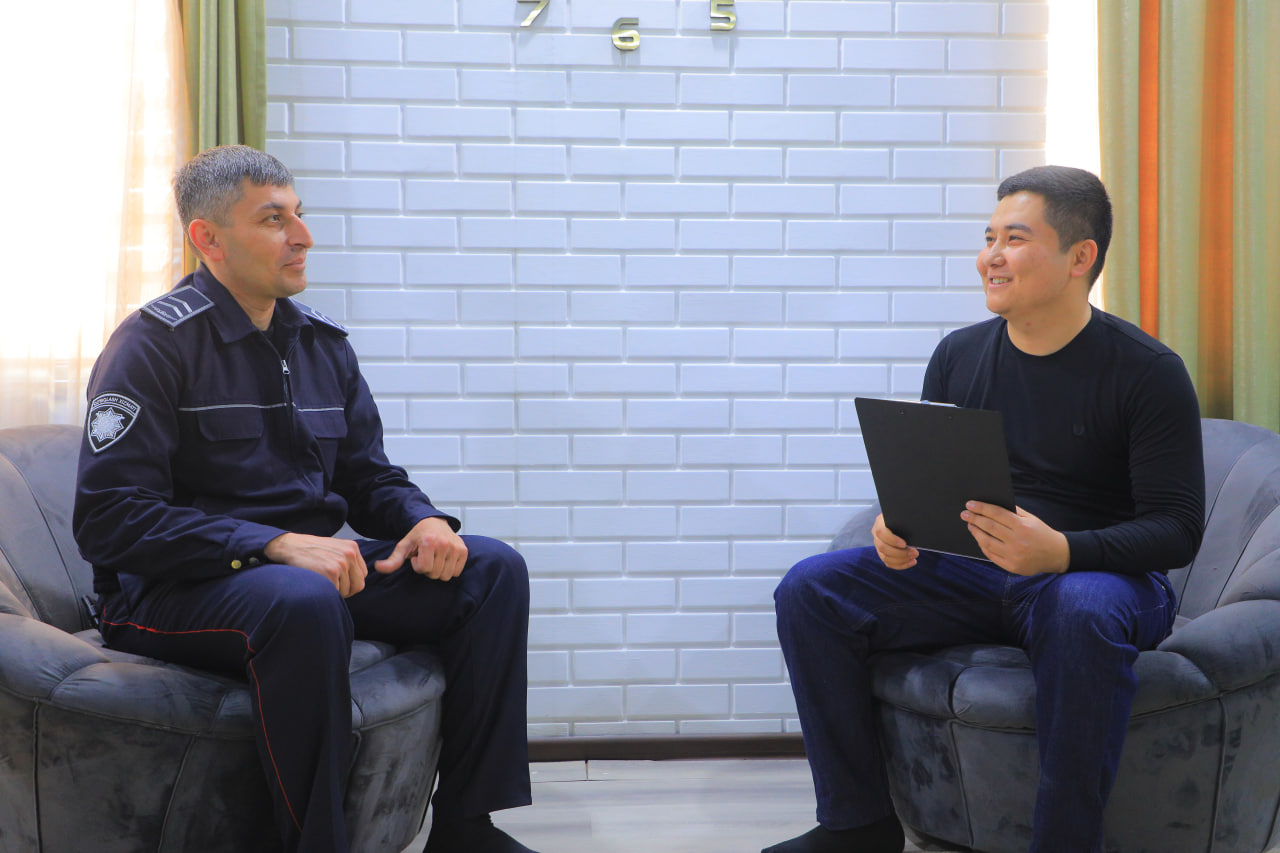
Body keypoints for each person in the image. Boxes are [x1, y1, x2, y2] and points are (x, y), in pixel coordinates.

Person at [73, 145, 541, 853]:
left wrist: (423, 521)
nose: (303, 236)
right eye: (274, 219)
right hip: (173, 590)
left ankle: (467, 831)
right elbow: (109, 518)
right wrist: (271, 543)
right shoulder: (152, 345)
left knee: (492, 570)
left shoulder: (321, 343)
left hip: (307, 575)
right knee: (303, 598)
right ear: (208, 238)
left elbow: (369, 475)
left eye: (299, 214)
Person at [765, 166, 1205, 853]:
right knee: (810, 590)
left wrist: (1060, 550)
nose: (990, 256)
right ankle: (857, 824)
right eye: (989, 237)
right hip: (973, 571)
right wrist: (899, 525)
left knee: (1080, 609)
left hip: (1097, 579)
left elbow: (1176, 530)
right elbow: (933, 482)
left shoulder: (1148, 371)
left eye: (1014, 239)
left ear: (1079, 258)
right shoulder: (959, 354)